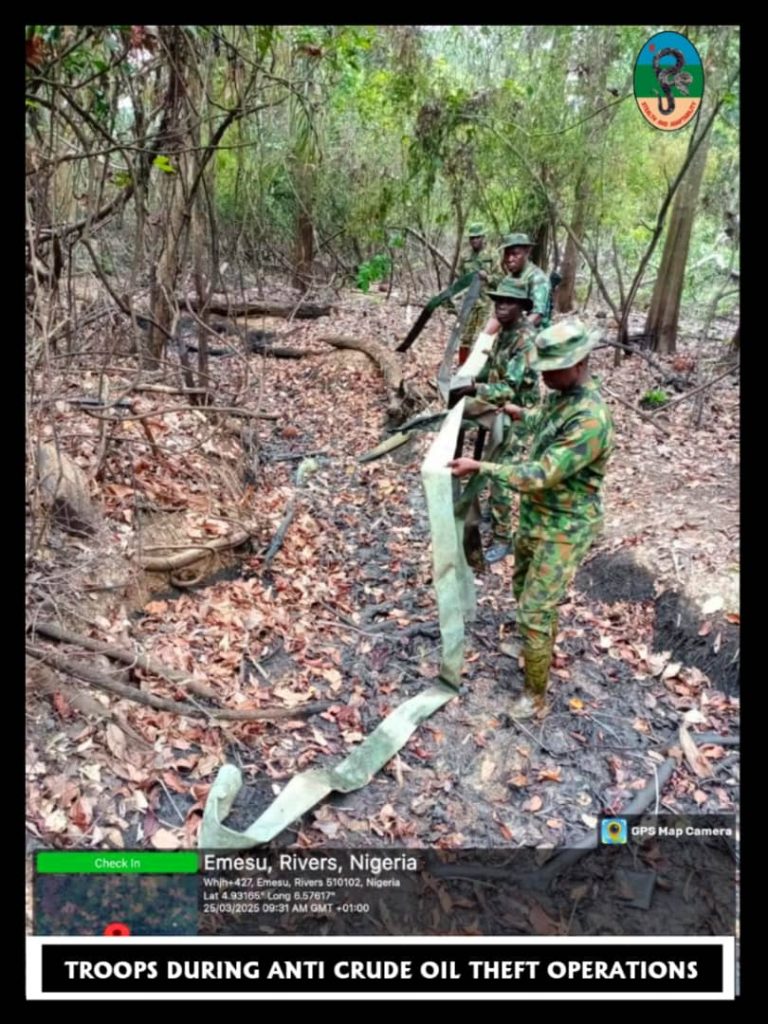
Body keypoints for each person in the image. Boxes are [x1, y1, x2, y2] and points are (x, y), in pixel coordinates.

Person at [448, 322, 614, 719]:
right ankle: (530, 646)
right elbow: (544, 419)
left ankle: (534, 695)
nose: (544, 375)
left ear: (578, 364)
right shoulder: (563, 396)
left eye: (552, 368)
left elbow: (539, 474)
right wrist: (517, 411)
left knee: (537, 608)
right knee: (523, 588)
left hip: (566, 527)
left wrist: (481, 467)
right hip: (539, 517)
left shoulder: (590, 419)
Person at [452, 278, 540, 564]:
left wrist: (474, 390)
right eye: (498, 301)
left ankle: (504, 539)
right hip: (500, 411)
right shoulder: (505, 332)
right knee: (491, 463)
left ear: (521, 307)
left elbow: (509, 389)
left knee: (501, 473)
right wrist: (469, 379)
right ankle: (492, 512)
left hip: (519, 415)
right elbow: (491, 368)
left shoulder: (526, 339)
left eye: (509, 302)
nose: (501, 306)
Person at [487, 232, 552, 332]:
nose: (510, 259)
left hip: (534, 336)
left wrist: (516, 336)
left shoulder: (537, 279)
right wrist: (484, 338)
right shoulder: (507, 280)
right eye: (507, 254)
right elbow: (496, 316)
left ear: (527, 252)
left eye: (515, 254)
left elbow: (537, 316)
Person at [456, 222, 498, 364]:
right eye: (472, 238)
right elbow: (461, 280)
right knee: (465, 337)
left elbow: (501, 279)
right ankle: (462, 367)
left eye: (477, 237)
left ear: (483, 237)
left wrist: (488, 277)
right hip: (469, 303)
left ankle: (478, 369)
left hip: (486, 303)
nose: (474, 240)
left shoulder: (493, 255)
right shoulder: (465, 257)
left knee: (483, 337)